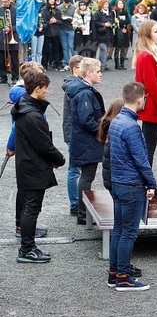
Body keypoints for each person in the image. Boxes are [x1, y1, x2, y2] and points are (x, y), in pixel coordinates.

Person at [12, 71, 66, 263]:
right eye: (45, 88)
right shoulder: (32, 115)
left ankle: (28, 247)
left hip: (29, 164)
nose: (47, 92)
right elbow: (43, 144)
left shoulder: (25, 108)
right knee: (31, 209)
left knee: (30, 207)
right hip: (33, 167)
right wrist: (59, 159)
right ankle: (27, 249)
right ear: (37, 89)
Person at [107, 82, 156, 291]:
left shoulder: (116, 121)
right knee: (128, 233)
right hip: (131, 185)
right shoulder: (132, 127)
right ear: (140, 99)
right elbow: (141, 160)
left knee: (118, 230)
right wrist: (151, 183)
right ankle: (124, 278)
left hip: (118, 183)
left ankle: (114, 273)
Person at [133, 20, 157, 198]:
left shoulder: (146, 54)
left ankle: (146, 183)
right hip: (152, 108)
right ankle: (147, 185)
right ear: (148, 34)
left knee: (147, 148)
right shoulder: (147, 56)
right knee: (148, 149)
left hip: (151, 107)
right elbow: (151, 86)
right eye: (156, 31)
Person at [67, 58, 106, 225]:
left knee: (86, 176)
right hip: (87, 143)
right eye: (98, 71)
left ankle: (82, 212)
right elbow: (86, 119)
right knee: (87, 177)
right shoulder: (84, 93)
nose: (101, 74)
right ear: (89, 73)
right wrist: (102, 133)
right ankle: (83, 214)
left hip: (84, 142)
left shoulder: (83, 90)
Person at [62, 55, 84, 216]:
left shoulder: (73, 86)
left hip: (73, 133)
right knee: (74, 170)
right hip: (74, 134)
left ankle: (76, 204)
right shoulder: (74, 87)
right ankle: (75, 204)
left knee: (76, 170)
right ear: (75, 69)